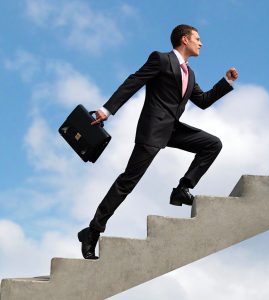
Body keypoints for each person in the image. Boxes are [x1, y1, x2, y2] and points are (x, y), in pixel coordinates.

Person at [78, 24, 238, 259]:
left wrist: (225, 81)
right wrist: (107, 109)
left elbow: (203, 101)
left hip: (173, 129)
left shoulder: (189, 74)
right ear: (185, 40)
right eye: (198, 39)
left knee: (212, 144)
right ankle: (92, 231)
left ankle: (182, 189)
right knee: (127, 182)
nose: (201, 43)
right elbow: (133, 82)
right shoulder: (161, 59)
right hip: (153, 130)